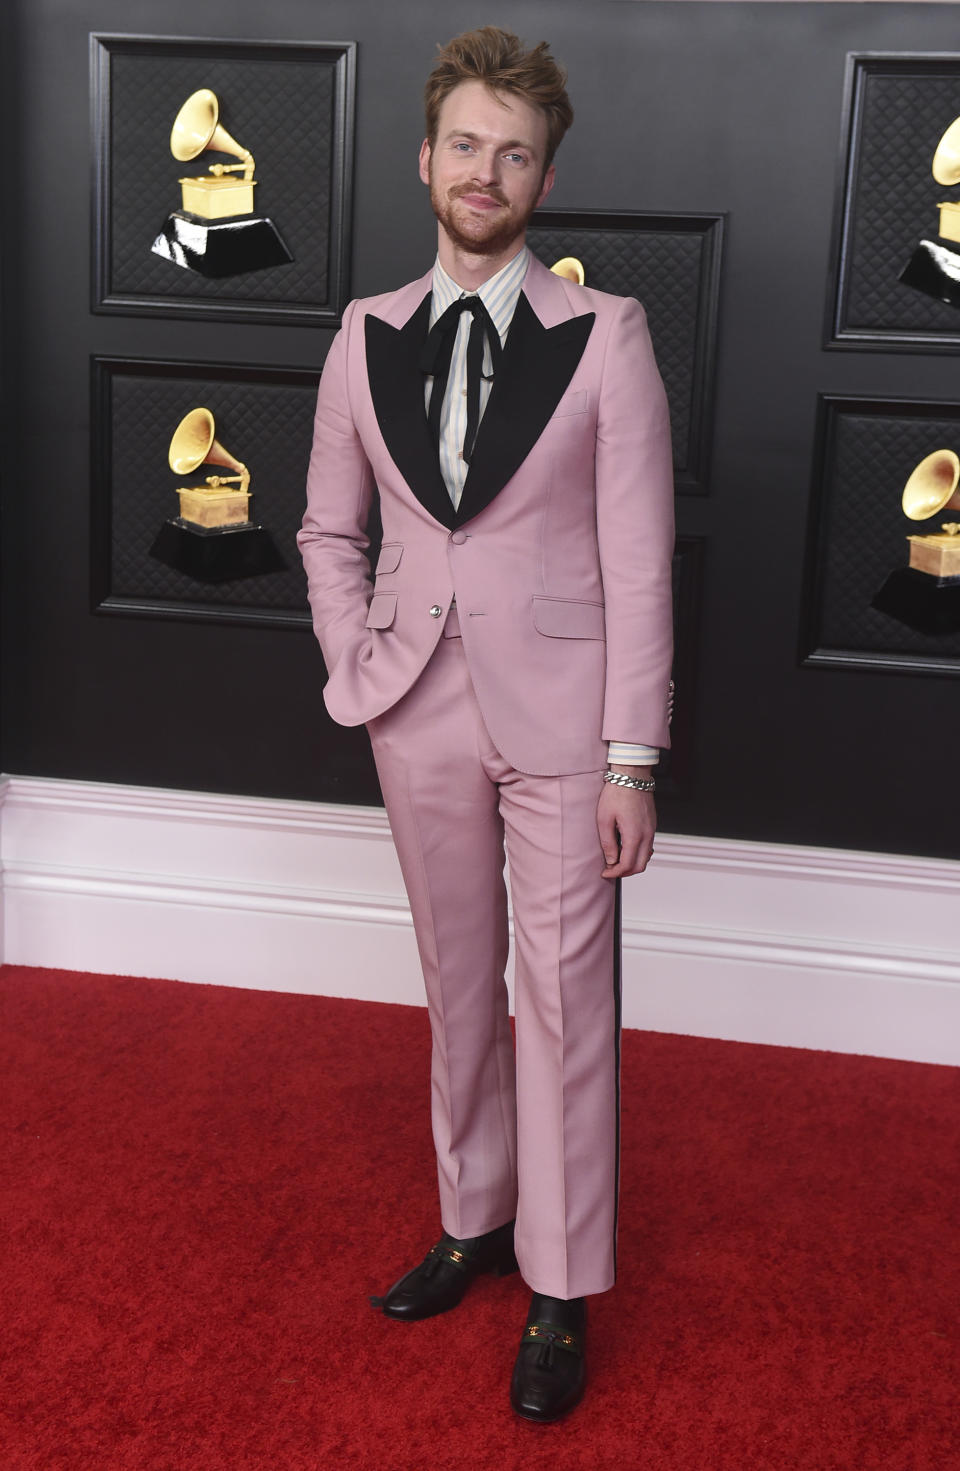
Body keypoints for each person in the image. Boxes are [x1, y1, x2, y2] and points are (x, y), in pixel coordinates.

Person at [298, 26, 674, 1423]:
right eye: (466, 143)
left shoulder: (606, 335)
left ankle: (563, 1282)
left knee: (565, 1004)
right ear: (427, 158)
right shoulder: (364, 332)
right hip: (418, 712)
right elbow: (326, 527)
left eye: (513, 152)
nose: (485, 170)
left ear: (543, 180)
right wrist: (362, 655)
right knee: (460, 986)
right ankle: (473, 1220)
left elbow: (640, 559)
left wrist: (634, 756)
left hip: (570, 724)